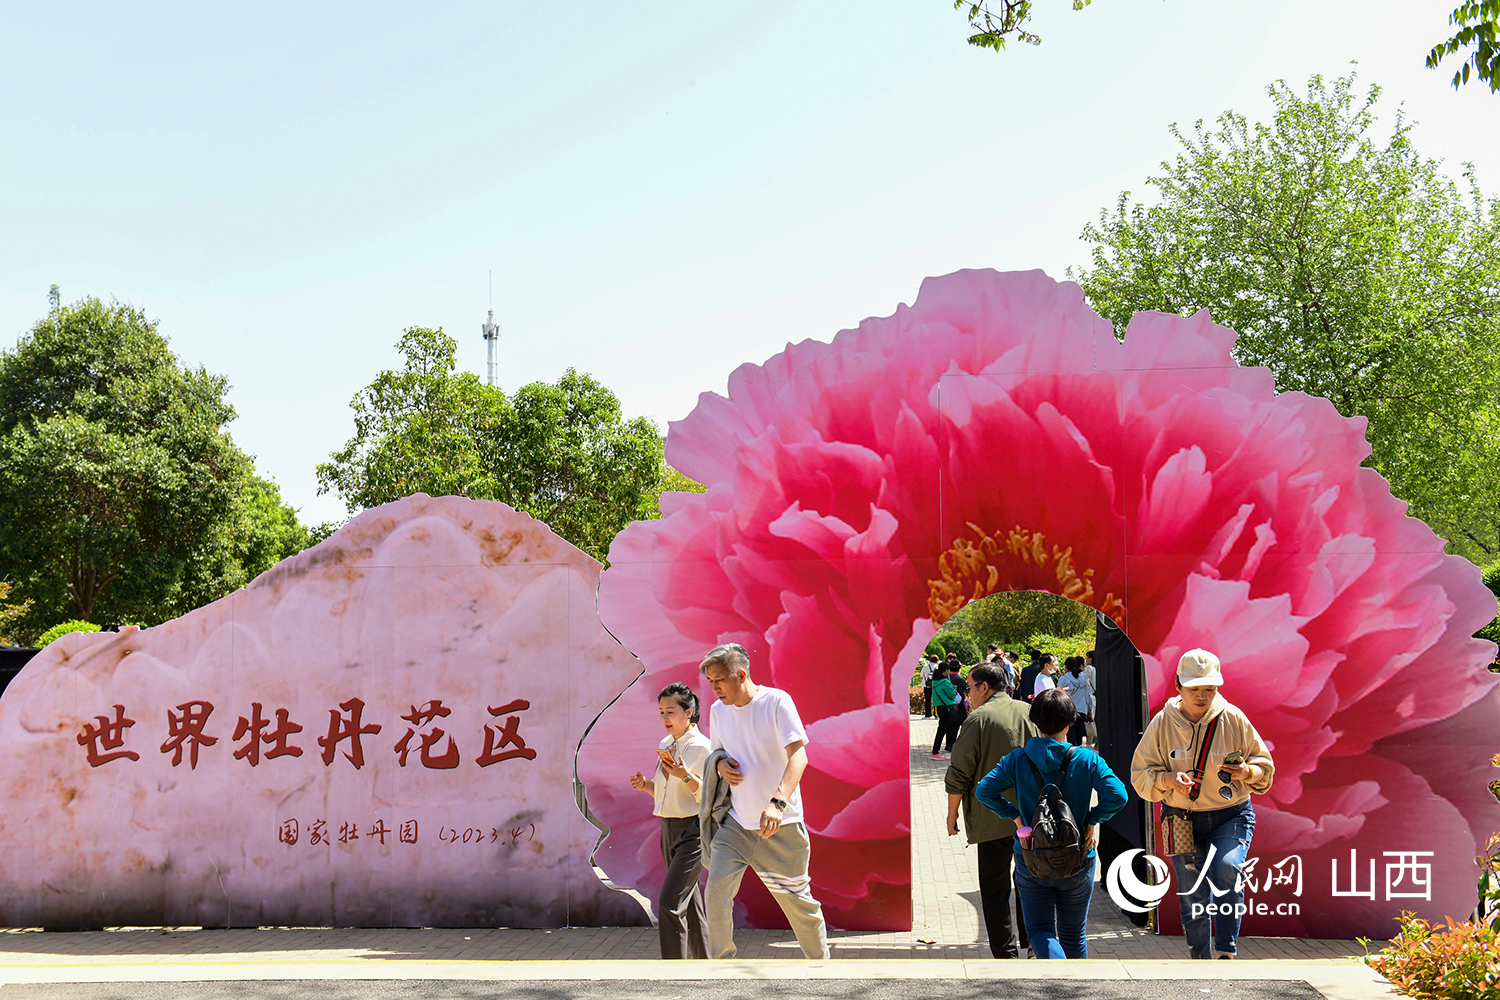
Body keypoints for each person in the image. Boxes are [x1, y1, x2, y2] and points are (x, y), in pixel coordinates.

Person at [1131, 649, 1274, 960]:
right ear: (1179, 687)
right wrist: (1169, 780)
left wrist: (1247, 771)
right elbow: (1140, 774)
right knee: (1193, 895)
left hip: (1230, 816)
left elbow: (1264, 766)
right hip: (1181, 819)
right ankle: (1200, 959)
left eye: (1209, 689)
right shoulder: (1162, 724)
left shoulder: (1233, 718)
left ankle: (1226, 951)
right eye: (1195, 689)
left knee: (1228, 870)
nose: (1202, 696)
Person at [975, 688, 1128, 959]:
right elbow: (1118, 795)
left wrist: (1014, 815)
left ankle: (1055, 975)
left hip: (1030, 855)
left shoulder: (1017, 759)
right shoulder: (1087, 758)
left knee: (1040, 931)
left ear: (1034, 721)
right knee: (1074, 934)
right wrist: (1092, 819)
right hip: (1078, 854)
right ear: (1070, 722)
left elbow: (984, 791)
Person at [699, 643, 828, 961]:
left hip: (780, 827)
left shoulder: (776, 702)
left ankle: (823, 972)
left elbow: (799, 755)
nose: (714, 688)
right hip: (737, 826)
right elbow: (717, 752)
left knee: (800, 908)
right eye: (710, 681)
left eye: (719, 680)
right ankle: (722, 968)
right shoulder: (718, 711)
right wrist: (719, 765)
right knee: (715, 893)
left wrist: (778, 802)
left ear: (741, 674)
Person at [944, 662, 1038, 958]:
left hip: (992, 817)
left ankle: (1005, 952)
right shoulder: (1029, 713)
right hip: (1031, 816)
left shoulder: (977, 720)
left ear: (984, 687)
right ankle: (1034, 943)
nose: (967, 694)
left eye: (969, 688)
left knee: (995, 888)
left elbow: (960, 771)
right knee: (1030, 883)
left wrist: (952, 815)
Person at [629, 682, 713, 959]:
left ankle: (673, 975)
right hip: (668, 827)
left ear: (689, 713)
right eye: (662, 712)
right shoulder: (666, 744)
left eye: (671, 712)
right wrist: (646, 786)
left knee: (669, 903)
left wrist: (685, 775)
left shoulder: (701, 747)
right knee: (689, 905)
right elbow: (666, 793)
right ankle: (706, 967)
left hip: (693, 831)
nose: (665, 718)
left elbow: (708, 795)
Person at [1057, 657, 1094, 746]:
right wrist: (1089, 709)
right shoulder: (1083, 677)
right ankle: (1079, 753)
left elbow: (1059, 694)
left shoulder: (1064, 678)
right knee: (1079, 735)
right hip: (1082, 710)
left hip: (1069, 710)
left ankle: (1071, 754)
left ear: (1066, 667)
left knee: (1071, 735)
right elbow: (1088, 695)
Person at [930, 661, 961, 759]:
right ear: (946, 670)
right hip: (947, 708)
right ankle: (935, 752)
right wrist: (954, 691)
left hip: (939, 707)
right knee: (942, 730)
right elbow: (951, 695)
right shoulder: (945, 682)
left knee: (950, 727)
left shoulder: (935, 682)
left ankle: (955, 748)